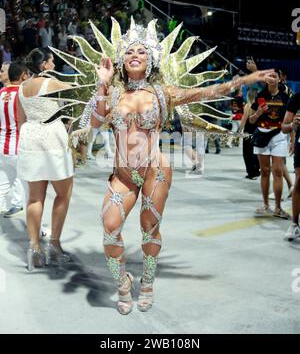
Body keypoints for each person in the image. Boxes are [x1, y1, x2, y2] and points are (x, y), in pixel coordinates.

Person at [84, 19, 275, 315]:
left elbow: (209, 92)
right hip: (123, 175)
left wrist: (244, 81)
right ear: (121, 59)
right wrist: (102, 82)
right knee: (110, 229)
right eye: (130, 51)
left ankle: (147, 282)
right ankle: (123, 283)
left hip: (155, 171)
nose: (135, 54)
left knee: (150, 228)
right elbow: (96, 123)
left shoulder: (163, 93)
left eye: (142, 52)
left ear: (151, 60)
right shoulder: (111, 93)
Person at [17, 47, 74, 271]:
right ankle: (54, 245)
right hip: (52, 137)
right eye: (51, 62)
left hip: (30, 136)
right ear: (44, 65)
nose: (54, 66)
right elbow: (80, 93)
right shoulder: (53, 83)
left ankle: (34, 249)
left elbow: (22, 119)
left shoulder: (22, 87)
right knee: (63, 193)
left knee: (34, 197)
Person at [249, 70, 291, 218]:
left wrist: (291, 139)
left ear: (280, 79)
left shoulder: (286, 97)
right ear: (266, 79)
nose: (272, 79)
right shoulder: (261, 96)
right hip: (261, 136)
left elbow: (289, 120)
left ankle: (278, 207)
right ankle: (266, 204)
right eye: (270, 76)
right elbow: (251, 120)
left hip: (279, 136)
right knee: (265, 171)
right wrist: (258, 112)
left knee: (278, 172)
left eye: (275, 76)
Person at [0, 61, 29, 216]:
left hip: (2, 143)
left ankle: (2, 204)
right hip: (17, 145)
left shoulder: (1, 92)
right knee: (25, 184)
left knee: (4, 177)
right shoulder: (23, 94)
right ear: (23, 75)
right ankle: (20, 207)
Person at [281, 92, 300, 240]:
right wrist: (293, 124)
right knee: (299, 182)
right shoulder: (297, 98)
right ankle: (294, 225)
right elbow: (284, 127)